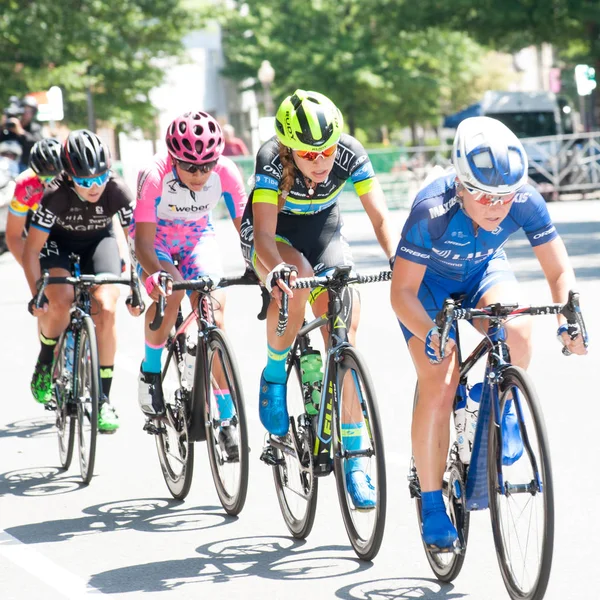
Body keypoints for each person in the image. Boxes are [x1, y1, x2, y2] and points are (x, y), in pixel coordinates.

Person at [390, 116, 588, 550]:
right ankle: (430, 501)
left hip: (482, 271)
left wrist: (568, 318)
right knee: (440, 381)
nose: (496, 206)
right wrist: (432, 334)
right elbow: (400, 292)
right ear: (460, 184)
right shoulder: (431, 210)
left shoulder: (526, 200)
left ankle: (502, 405)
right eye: (482, 195)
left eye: (505, 196)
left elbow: (558, 270)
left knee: (517, 328)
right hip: (426, 287)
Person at [239, 89, 397, 509]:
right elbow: (267, 237)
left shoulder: (350, 152)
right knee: (298, 281)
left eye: (326, 150)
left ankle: (356, 463)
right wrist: (275, 270)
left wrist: (398, 257)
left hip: (324, 230)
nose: (321, 160)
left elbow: (380, 215)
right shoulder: (271, 157)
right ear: (290, 149)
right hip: (274, 236)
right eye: (309, 155)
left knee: (343, 325)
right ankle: (274, 375)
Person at [131, 111, 248, 454]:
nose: (200, 175)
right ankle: (150, 373)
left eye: (207, 166)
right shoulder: (154, 175)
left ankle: (226, 417)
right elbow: (142, 243)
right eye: (190, 167)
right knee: (172, 293)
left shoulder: (226, 171)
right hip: (157, 242)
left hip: (198, 237)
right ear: (173, 158)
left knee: (212, 310)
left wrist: (259, 266)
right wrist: (158, 275)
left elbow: (247, 230)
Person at [22, 129, 137, 433]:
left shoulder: (117, 190)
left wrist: (137, 286)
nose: (95, 186)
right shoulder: (54, 196)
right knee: (60, 300)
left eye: (100, 177)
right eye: (86, 182)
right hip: (56, 245)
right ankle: (46, 359)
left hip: (99, 242)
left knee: (106, 307)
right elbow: (31, 250)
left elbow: (138, 244)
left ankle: (103, 401)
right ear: (70, 176)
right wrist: (38, 293)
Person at [6, 138, 63, 265]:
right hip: (41, 224)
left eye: (58, 178)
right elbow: (13, 236)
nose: (52, 184)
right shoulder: (26, 185)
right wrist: (31, 269)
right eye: (46, 178)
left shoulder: (77, 180)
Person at [0, 96, 43, 170]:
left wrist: (20, 132)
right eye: (24, 110)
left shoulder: (35, 128)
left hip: (25, 166)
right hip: (5, 166)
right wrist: (2, 126)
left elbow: (38, 145)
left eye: (30, 111)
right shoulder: (9, 125)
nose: (26, 113)